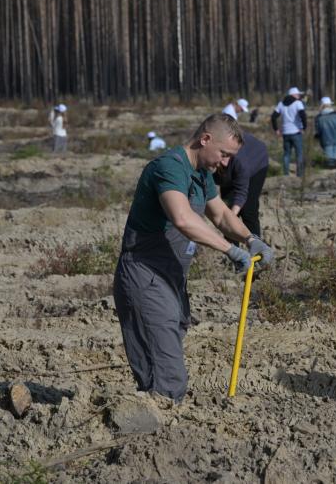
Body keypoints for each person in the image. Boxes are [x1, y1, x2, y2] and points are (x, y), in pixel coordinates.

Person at [113, 114, 274, 403]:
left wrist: (250, 239)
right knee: (167, 375)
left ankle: (154, 411)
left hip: (172, 276)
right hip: (145, 274)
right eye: (224, 154)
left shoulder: (201, 175)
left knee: (164, 355)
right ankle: (154, 419)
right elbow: (183, 218)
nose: (226, 163)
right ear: (205, 139)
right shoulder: (170, 167)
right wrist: (229, 250)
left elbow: (221, 215)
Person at [214, 132, 269, 236]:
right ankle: (231, 246)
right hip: (230, 171)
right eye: (222, 156)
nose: (224, 161)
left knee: (248, 210)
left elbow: (241, 193)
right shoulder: (207, 159)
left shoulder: (241, 162)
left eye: (227, 156)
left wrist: (231, 217)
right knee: (228, 206)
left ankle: (255, 245)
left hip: (256, 163)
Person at [271, 87, 307, 177]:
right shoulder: (298, 103)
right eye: (297, 94)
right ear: (293, 95)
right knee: (299, 154)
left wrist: (276, 129)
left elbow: (273, 117)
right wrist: (304, 127)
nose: (299, 96)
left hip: (285, 133)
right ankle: (300, 174)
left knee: (286, 154)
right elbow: (303, 115)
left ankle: (286, 174)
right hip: (296, 132)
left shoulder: (281, 104)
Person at [314, 96, 336, 169]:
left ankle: (329, 170)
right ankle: (335, 172)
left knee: (329, 160)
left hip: (326, 139)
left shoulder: (319, 117)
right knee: (335, 158)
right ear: (330, 104)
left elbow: (318, 130)